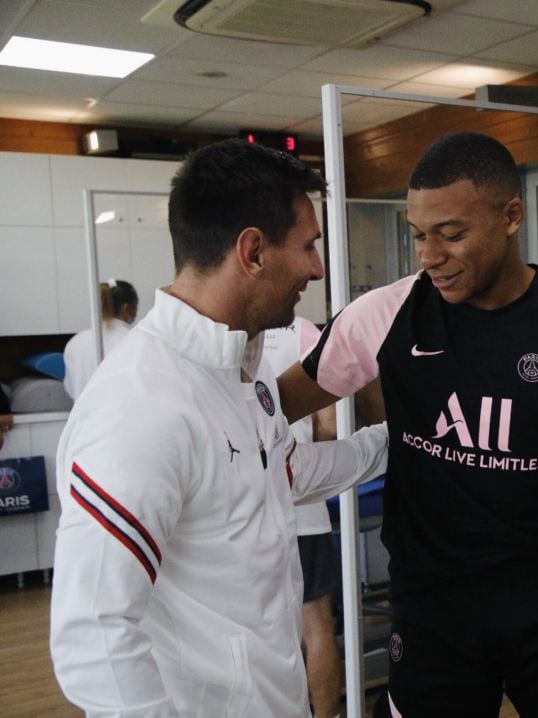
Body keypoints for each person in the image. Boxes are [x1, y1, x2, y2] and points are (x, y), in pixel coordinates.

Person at [278, 132, 538, 718]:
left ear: (511, 216)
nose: (429, 256)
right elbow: (270, 405)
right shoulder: (385, 315)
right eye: (418, 235)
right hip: (432, 615)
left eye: (452, 234)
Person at [49, 139, 388, 718]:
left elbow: (285, 472)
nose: (317, 267)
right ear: (252, 252)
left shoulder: (235, 374)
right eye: (308, 246)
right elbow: (94, 636)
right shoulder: (142, 404)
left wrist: (397, 440)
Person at [262, 318, 344, 718]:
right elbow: (329, 426)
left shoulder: (228, 333)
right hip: (305, 510)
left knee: (265, 629)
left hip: (251, 510)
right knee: (316, 623)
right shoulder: (305, 336)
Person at [62, 278, 138, 400]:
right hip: (120, 415)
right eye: (135, 307)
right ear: (126, 308)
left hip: (83, 416)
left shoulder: (76, 342)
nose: (135, 313)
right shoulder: (134, 339)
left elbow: (71, 388)